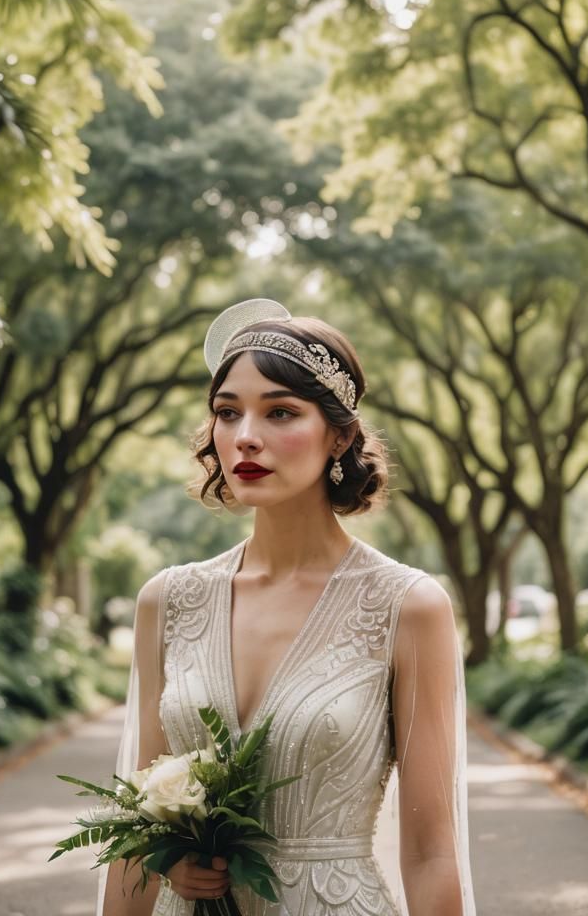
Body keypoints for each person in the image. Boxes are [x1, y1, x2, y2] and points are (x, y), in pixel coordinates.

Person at [98, 298, 476, 916]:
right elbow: (135, 829)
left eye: (280, 412)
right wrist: (174, 859)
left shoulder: (408, 607)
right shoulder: (167, 600)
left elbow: (432, 849)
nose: (245, 436)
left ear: (341, 435)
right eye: (227, 412)